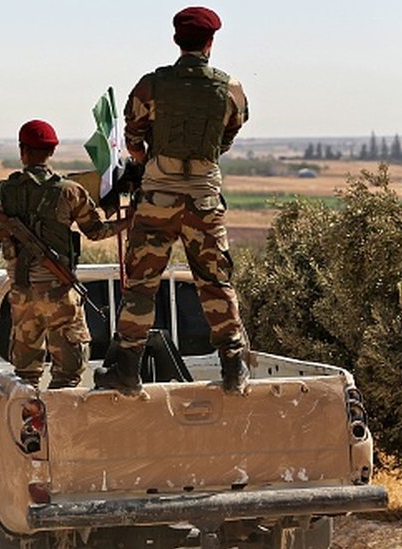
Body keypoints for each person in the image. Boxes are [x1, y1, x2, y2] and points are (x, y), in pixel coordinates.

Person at [94, 6, 250, 396]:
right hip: (204, 200)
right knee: (215, 281)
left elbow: (133, 137)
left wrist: (150, 163)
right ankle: (234, 368)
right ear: (211, 43)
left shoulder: (152, 85)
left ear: (176, 41)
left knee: (141, 286)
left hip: (157, 200)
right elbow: (227, 138)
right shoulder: (231, 89)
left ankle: (127, 370)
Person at [0, 120, 130, 389]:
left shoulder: (3, 192)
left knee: (25, 378)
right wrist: (128, 220)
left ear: (22, 151)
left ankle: (29, 427)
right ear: (51, 152)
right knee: (68, 376)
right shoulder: (69, 191)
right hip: (60, 295)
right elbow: (96, 232)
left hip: (21, 296)